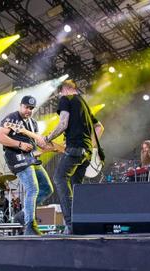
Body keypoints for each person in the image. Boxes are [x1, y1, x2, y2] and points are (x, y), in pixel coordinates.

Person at [38, 80, 104, 234]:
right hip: (86, 153)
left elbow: (63, 124)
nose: (59, 95)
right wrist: (92, 146)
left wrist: (46, 139)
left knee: (59, 179)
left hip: (75, 149)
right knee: (76, 186)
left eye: (60, 92)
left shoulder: (66, 99)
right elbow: (100, 127)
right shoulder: (85, 106)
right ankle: (82, 222)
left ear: (65, 90)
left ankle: (71, 225)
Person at [0, 95, 54, 235]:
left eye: (31, 108)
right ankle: (29, 226)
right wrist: (19, 144)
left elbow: (36, 145)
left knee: (47, 189)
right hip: (17, 159)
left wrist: (50, 147)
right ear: (20, 105)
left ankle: (22, 215)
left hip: (31, 159)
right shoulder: (12, 118)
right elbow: (0, 137)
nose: (29, 110)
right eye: (26, 107)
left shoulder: (33, 123)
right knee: (33, 189)